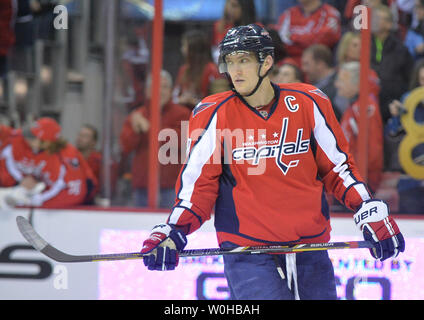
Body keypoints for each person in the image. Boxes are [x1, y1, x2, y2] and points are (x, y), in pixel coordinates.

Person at [139, 24, 405, 300]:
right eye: (230, 62)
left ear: (266, 62)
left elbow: (338, 169)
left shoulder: (308, 102)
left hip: (309, 249)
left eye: (243, 60)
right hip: (248, 254)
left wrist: (369, 210)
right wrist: (174, 230)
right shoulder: (213, 113)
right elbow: (198, 188)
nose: (235, 71)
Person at [120, 70, 191, 208]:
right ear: (147, 91)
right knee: (142, 228)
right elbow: (126, 146)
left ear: (171, 91)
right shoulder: (138, 115)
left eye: (164, 87)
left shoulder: (183, 113)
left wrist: (148, 129)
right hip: (143, 186)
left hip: (173, 186)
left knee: (172, 227)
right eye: (155, 86)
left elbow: (182, 142)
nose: (160, 91)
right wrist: (136, 130)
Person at [0, 117, 98, 208]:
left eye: (33, 137)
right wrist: (19, 182)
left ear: (47, 142)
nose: (27, 138)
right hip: (44, 192)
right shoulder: (19, 140)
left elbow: (75, 193)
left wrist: (38, 201)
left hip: (82, 200)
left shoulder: (67, 157)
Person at [335, 62, 384, 193]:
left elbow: (373, 152)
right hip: (352, 180)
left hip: (360, 183)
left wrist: (361, 182)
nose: (337, 84)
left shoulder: (364, 108)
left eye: (341, 80)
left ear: (357, 83)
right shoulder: (355, 107)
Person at [370, 4, 414, 123]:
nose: (374, 21)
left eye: (378, 18)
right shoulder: (363, 45)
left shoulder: (401, 50)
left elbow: (410, 79)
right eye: (373, 18)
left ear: (389, 24)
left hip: (392, 107)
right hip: (367, 105)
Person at [277, 0, 341, 66]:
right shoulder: (288, 13)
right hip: (290, 64)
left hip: (318, 65)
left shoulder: (331, 13)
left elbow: (321, 41)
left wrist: (292, 37)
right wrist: (306, 39)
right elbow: (280, 41)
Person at [173, 29, 221, 110]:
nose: (182, 49)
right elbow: (174, 96)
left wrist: (195, 101)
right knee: (182, 121)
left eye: (184, 45)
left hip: (205, 114)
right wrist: (181, 99)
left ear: (193, 49)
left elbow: (218, 99)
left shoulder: (211, 69)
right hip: (185, 115)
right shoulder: (184, 69)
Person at [301, 44, 341, 120]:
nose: (303, 69)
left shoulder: (340, 85)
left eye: (306, 64)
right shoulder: (310, 87)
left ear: (320, 64)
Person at [75, 124, 102, 189]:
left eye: (85, 136)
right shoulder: (70, 158)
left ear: (94, 142)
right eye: (80, 135)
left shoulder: (99, 161)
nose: (80, 138)